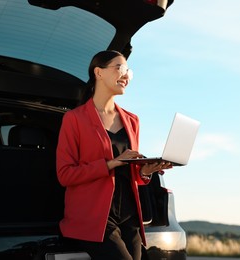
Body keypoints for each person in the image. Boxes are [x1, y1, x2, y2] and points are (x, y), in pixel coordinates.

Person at [56, 50, 172, 260]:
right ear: (98, 73)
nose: (126, 75)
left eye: (129, 71)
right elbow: (65, 174)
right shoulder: (74, 119)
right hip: (94, 218)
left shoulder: (132, 120)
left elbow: (133, 175)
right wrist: (110, 163)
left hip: (129, 218)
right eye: (120, 68)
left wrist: (145, 172)